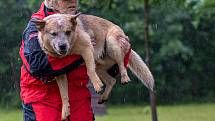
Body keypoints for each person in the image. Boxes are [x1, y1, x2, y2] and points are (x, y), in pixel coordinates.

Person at [19, 0, 130, 121]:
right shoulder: (36, 26)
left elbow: (108, 71)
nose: (73, 0)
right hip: (44, 104)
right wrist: (82, 53)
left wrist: (122, 52)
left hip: (80, 104)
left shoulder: (80, 22)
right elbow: (38, 66)